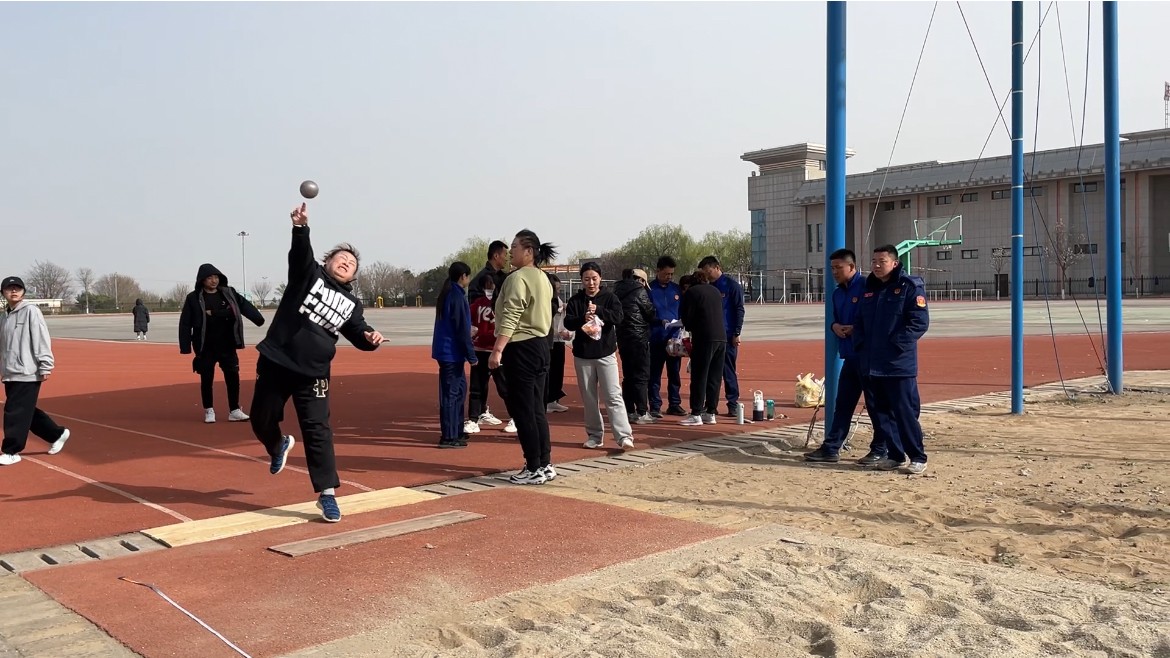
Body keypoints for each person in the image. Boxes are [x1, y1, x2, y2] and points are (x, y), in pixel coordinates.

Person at [250, 202, 385, 522]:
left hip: (314, 373)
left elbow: (358, 331)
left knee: (318, 431)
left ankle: (327, 495)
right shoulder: (308, 275)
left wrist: (370, 338)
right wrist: (300, 228)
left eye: (351, 264)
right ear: (327, 261)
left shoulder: (351, 304)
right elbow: (299, 255)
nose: (346, 263)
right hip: (277, 359)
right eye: (341, 258)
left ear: (353, 276)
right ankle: (277, 444)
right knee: (260, 418)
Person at [852, 244, 930, 475]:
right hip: (871, 364)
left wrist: (894, 345)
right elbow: (859, 322)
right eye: (874, 261)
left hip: (898, 364)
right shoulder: (869, 289)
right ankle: (895, 455)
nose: (876, 266)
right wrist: (861, 345)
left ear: (894, 263)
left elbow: (919, 322)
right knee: (880, 413)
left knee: (904, 412)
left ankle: (917, 456)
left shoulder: (908, 287)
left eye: (882, 261)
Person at [805, 249, 887, 464]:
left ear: (852, 267)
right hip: (850, 356)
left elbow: (876, 318)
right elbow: (835, 318)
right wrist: (835, 326)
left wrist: (856, 329)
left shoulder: (868, 287)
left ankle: (880, 448)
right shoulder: (837, 293)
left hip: (868, 357)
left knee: (875, 405)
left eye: (838, 268)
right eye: (832, 268)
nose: (834, 272)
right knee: (843, 404)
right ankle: (831, 447)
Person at [488, 229, 557, 485]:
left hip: (521, 347)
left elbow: (512, 314)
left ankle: (534, 467)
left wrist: (498, 349)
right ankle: (545, 463)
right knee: (537, 409)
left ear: (529, 251)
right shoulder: (543, 278)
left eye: (515, 247)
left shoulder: (517, 278)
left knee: (524, 411)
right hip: (541, 346)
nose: (510, 252)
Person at [179, 264, 265, 424]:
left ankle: (234, 410)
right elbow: (185, 322)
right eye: (210, 278)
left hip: (227, 344)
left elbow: (243, 305)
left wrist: (258, 319)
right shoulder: (193, 298)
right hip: (205, 346)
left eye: (216, 277)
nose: (214, 281)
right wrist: (185, 346)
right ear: (202, 280)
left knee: (233, 377)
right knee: (207, 379)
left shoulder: (228, 293)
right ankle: (209, 410)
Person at [0, 277, 71, 466]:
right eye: (9, 288)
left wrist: (45, 364)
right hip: (10, 372)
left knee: (14, 410)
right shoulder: (4, 316)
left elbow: (41, 338)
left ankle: (11, 450)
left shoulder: (31, 311)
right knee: (25, 410)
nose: (13, 291)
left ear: (23, 292)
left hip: (28, 370)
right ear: (3, 293)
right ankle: (56, 434)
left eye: (17, 288)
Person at [563, 262, 634, 450]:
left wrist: (599, 310)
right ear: (581, 280)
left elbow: (618, 317)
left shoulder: (610, 298)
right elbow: (568, 323)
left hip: (605, 354)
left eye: (594, 279)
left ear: (600, 279)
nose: (591, 283)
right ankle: (595, 436)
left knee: (613, 395)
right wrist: (582, 319)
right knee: (589, 399)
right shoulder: (576, 300)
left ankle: (624, 436)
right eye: (586, 279)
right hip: (583, 356)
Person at [432, 262, 477, 449]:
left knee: (458, 391)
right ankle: (449, 435)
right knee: (451, 394)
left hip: (449, 351)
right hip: (451, 352)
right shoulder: (456, 296)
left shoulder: (450, 293)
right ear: (463, 276)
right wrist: (471, 355)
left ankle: (456, 430)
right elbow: (460, 328)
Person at [466, 274, 516, 435]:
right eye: (486, 285)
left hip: (496, 351)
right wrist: (470, 331)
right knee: (477, 387)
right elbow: (468, 320)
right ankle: (474, 419)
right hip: (480, 350)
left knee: (504, 387)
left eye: (491, 285)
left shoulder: (502, 303)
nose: (489, 288)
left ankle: (515, 417)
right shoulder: (477, 304)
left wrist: (479, 333)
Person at [698, 256, 745, 416]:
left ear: (717, 267)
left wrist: (737, 332)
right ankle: (711, 405)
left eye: (708, 271)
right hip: (711, 336)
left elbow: (739, 309)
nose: (706, 274)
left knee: (728, 370)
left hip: (728, 334)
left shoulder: (731, 286)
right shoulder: (707, 287)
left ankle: (732, 403)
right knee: (710, 372)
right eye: (704, 272)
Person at [678, 270, 727, 426]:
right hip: (721, 337)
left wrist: (689, 326)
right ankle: (711, 411)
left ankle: (696, 413)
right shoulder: (715, 291)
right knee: (715, 376)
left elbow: (687, 317)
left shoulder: (692, 293)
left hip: (704, 337)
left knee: (699, 375)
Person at [613, 268, 657, 424]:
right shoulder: (640, 291)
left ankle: (629, 410)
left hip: (623, 337)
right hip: (639, 338)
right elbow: (650, 313)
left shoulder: (616, 291)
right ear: (641, 280)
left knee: (628, 375)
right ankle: (642, 411)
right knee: (641, 376)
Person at [648, 256, 685, 417]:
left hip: (674, 339)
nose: (669, 277)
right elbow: (646, 313)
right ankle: (655, 406)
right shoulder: (649, 289)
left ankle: (674, 404)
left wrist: (681, 322)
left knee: (674, 373)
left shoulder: (676, 289)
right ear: (658, 271)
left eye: (671, 274)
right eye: (666, 274)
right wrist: (659, 320)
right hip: (656, 338)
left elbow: (682, 311)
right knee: (654, 374)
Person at [545, 273, 572, 413]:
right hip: (549, 340)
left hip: (559, 339)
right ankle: (547, 399)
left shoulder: (558, 300)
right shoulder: (546, 300)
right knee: (549, 371)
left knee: (558, 370)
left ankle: (554, 399)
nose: (558, 291)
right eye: (556, 288)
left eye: (559, 289)